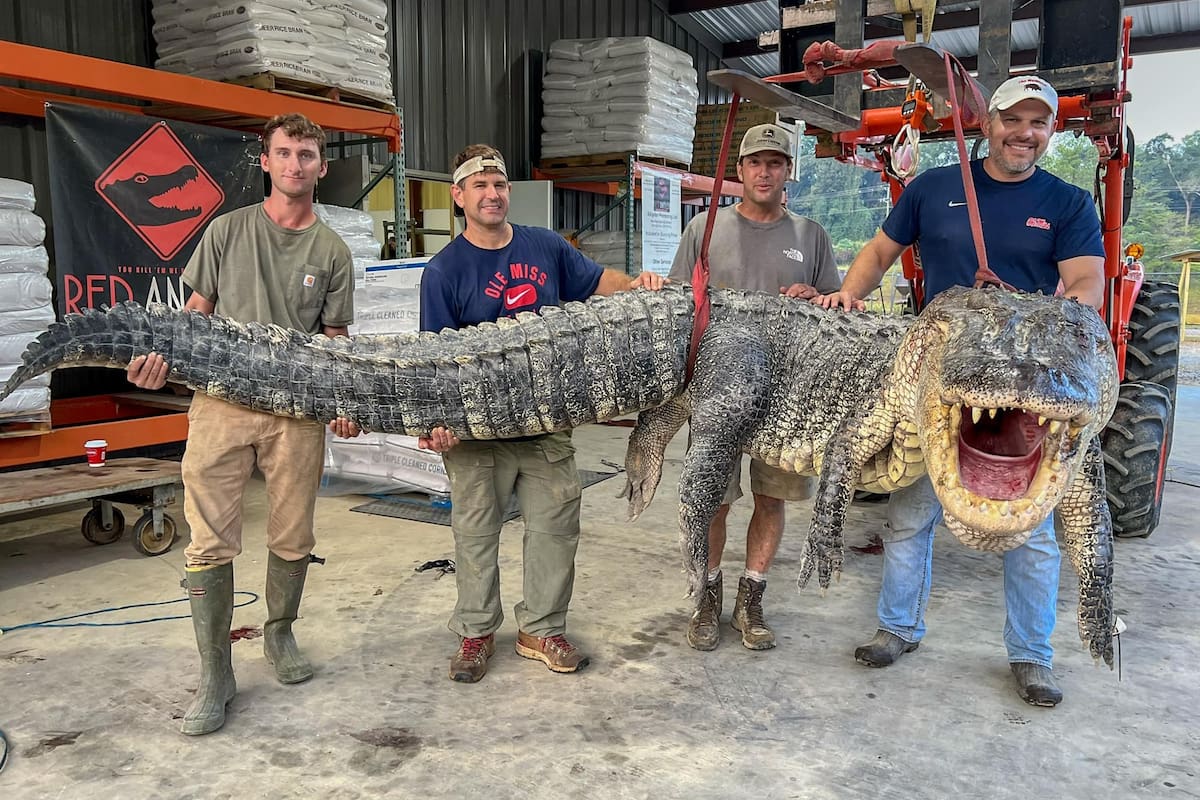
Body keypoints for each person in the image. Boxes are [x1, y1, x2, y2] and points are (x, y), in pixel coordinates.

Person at [818, 75, 1105, 707]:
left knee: (1031, 532)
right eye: (1013, 120)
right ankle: (897, 628)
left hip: (1025, 386)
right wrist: (849, 294)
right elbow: (880, 250)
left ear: (1051, 131)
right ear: (986, 124)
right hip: (941, 385)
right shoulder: (935, 189)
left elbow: (1086, 287)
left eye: (1038, 123)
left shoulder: (1068, 203)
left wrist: (1037, 313)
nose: (1024, 134)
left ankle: (1032, 656)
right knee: (909, 511)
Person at [127, 113, 359, 735]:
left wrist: (344, 401)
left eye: (306, 154)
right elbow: (191, 321)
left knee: (293, 536)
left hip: (296, 416)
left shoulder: (332, 252)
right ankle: (216, 672)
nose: (294, 164)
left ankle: (279, 635)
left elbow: (334, 342)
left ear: (321, 166)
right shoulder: (226, 232)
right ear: (265, 161)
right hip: (222, 409)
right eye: (284, 153)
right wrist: (160, 365)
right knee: (208, 541)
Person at [418, 144, 667, 683]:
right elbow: (433, 360)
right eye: (479, 185)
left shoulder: (547, 246)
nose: (492, 193)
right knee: (475, 533)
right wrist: (435, 423)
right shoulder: (443, 271)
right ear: (458, 197)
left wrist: (640, 284)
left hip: (546, 424)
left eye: (499, 184)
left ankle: (541, 628)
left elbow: (602, 282)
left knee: (555, 527)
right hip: (476, 431)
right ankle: (475, 633)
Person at [669, 123, 841, 653]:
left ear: (789, 170)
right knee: (713, 499)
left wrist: (816, 296)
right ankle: (707, 595)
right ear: (739, 171)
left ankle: (752, 597)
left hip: (787, 398)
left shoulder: (811, 235)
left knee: (773, 498)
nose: (765, 172)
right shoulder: (704, 228)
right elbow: (678, 307)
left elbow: (836, 311)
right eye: (754, 163)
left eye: (776, 162)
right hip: (716, 390)